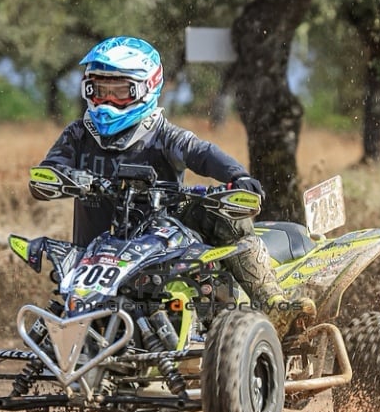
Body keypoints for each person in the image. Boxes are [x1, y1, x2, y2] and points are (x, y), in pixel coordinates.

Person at [32, 36, 315, 337]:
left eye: (120, 92)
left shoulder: (163, 134)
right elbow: (47, 174)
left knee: (229, 217)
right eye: (100, 91)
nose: (107, 102)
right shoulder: (78, 133)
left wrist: (238, 176)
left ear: (146, 89)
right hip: (93, 256)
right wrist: (62, 178)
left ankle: (272, 302)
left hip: (159, 247)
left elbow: (203, 153)